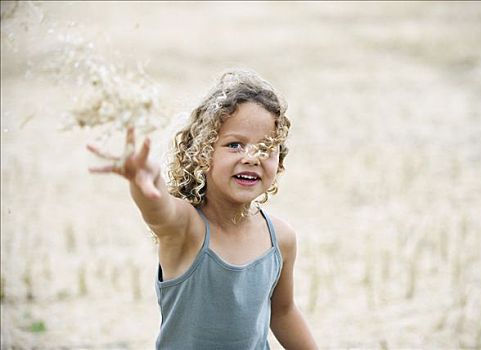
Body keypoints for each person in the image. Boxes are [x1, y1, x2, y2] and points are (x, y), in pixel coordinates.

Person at [87, 69, 318, 349]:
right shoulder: (187, 229)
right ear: (202, 152)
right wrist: (144, 182)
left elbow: (283, 312)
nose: (251, 158)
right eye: (234, 145)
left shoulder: (280, 239)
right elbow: (159, 210)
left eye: (266, 148)